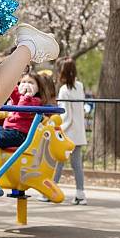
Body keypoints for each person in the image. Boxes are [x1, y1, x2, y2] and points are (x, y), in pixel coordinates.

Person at [0, 69, 49, 184]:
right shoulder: (21, 97)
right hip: (11, 131)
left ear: (38, 88)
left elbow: (23, 111)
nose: (26, 85)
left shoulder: (35, 101)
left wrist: (27, 95)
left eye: (31, 83)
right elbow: (10, 90)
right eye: (23, 82)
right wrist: (9, 77)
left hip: (20, 135)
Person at [53, 57, 88, 205]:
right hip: (79, 132)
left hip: (67, 133)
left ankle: (51, 191)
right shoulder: (79, 86)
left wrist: (58, 128)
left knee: (59, 163)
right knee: (77, 165)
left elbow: (66, 114)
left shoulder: (63, 91)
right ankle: (80, 194)